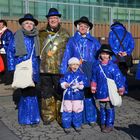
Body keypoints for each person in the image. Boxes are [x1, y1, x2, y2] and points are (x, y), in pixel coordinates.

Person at [60, 16, 100, 127]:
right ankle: (78, 119)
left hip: (90, 70)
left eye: (85, 26)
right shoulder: (72, 41)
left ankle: (91, 118)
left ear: (88, 28)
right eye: (81, 26)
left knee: (89, 94)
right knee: (77, 94)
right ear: (78, 27)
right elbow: (67, 55)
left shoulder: (94, 41)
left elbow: (99, 56)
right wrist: (63, 71)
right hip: (75, 71)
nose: (83, 28)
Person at [7, 13, 40, 125]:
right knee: (25, 93)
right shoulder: (17, 36)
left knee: (33, 93)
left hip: (34, 69)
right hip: (22, 69)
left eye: (31, 23)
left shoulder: (37, 36)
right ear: (22, 25)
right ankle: (25, 118)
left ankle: (34, 118)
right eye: (26, 23)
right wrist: (11, 68)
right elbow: (10, 52)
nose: (29, 25)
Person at [39, 8, 70, 125]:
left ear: (59, 19)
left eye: (55, 18)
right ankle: (48, 116)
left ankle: (61, 116)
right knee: (46, 92)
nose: (53, 20)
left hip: (59, 68)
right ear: (48, 19)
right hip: (44, 68)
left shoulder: (65, 33)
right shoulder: (41, 33)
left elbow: (69, 51)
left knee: (60, 92)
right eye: (51, 18)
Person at [91, 44, 125, 133]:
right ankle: (103, 123)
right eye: (103, 53)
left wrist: (120, 88)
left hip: (111, 92)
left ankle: (109, 124)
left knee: (109, 108)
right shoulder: (97, 66)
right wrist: (93, 86)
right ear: (100, 55)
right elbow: (94, 77)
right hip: (101, 91)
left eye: (107, 54)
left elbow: (118, 78)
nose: (105, 55)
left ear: (110, 55)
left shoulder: (113, 66)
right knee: (102, 108)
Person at [60, 57, 88, 133]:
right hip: (68, 96)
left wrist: (79, 86)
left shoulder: (81, 75)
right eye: (73, 64)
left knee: (77, 110)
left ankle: (77, 125)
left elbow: (85, 83)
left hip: (78, 96)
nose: (75, 66)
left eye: (76, 64)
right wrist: (65, 85)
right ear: (70, 65)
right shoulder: (66, 74)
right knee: (67, 110)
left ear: (79, 65)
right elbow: (62, 82)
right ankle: (66, 125)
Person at [108, 21, 135, 93]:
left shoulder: (112, 33)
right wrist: (126, 52)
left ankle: (116, 89)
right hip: (125, 57)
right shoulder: (128, 34)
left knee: (114, 72)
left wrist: (117, 52)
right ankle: (124, 89)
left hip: (115, 57)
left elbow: (111, 44)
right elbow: (132, 45)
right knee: (124, 73)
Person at [0, 20, 14, 85]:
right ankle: (3, 79)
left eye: (0, 24)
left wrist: (2, 45)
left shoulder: (8, 32)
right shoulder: (1, 32)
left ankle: (8, 80)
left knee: (7, 65)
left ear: (4, 25)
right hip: (1, 51)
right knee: (2, 66)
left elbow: (10, 41)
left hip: (6, 51)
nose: (0, 25)